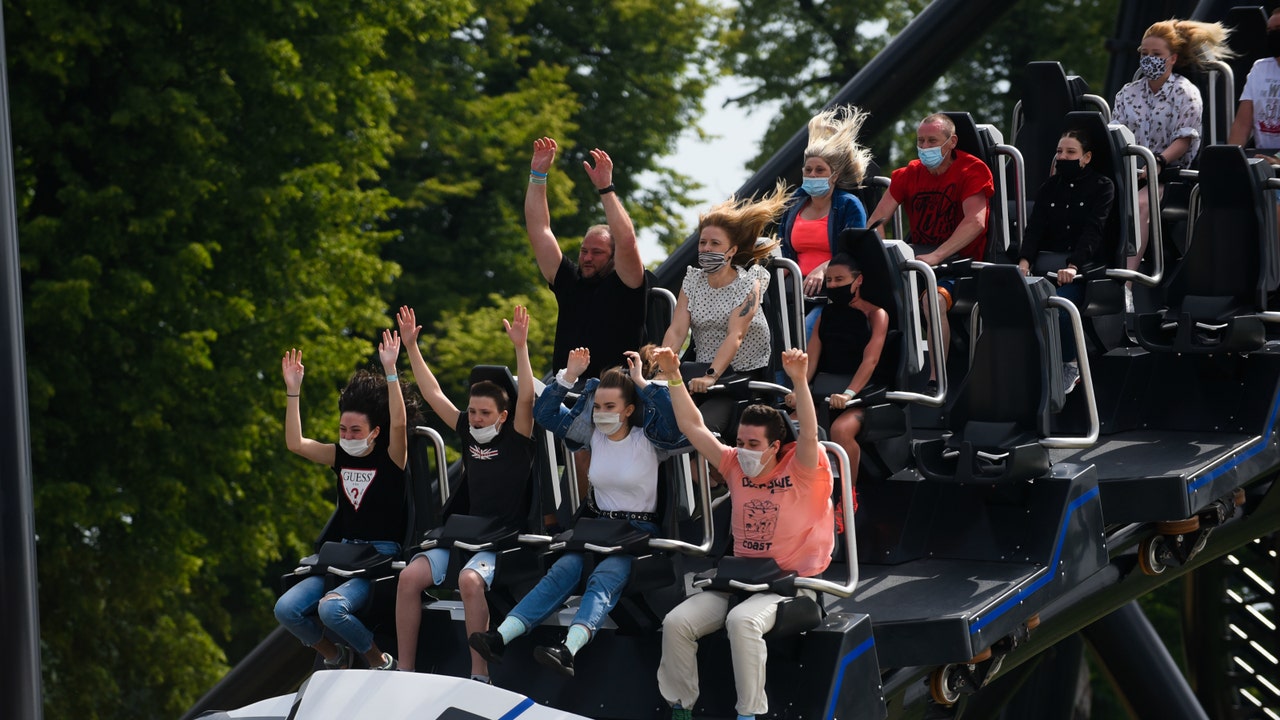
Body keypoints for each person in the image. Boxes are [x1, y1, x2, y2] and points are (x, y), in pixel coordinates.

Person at [468, 348, 687, 677]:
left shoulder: (650, 440)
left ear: (629, 410)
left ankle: (567, 650)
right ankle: (500, 637)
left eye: (610, 407)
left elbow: (672, 423)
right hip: (597, 529)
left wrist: (642, 382)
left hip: (637, 534)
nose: (601, 413)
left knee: (603, 578)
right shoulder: (594, 437)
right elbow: (546, 415)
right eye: (597, 406)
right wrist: (568, 378)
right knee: (562, 572)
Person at [653, 346, 835, 720]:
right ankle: (680, 710)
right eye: (741, 442)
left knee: (742, 622)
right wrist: (674, 376)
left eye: (754, 445)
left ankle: (749, 715)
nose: (744, 450)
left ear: (774, 446)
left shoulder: (801, 469)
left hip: (790, 583)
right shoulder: (734, 464)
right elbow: (693, 427)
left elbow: (810, 435)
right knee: (676, 623)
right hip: (742, 578)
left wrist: (799, 381)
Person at [391, 305, 536, 682]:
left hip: (502, 538)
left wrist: (520, 348)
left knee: (469, 583)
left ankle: (479, 674)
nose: (475, 419)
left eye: (484, 413)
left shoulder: (517, 436)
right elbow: (433, 392)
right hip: (465, 533)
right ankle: (404, 670)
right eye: (472, 412)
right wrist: (411, 347)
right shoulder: (467, 432)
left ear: (501, 416)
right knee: (409, 577)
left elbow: (525, 401)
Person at [273, 330, 409, 672]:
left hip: (378, 556)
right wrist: (293, 390)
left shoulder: (391, 457)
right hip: (342, 554)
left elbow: (400, 423)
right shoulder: (338, 455)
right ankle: (335, 657)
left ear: (375, 432)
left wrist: (391, 371)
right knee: (286, 609)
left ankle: (380, 661)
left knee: (330, 609)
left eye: (356, 431)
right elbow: (295, 444)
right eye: (343, 430)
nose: (347, 437)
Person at [866, 113, 994, 385]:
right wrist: (884, 258)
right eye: (920, 141)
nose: (925, 147)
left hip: (959, 265)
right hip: (918, 262)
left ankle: (936, 379)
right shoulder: (908, 174)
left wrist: (938, 255)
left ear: (951, 142)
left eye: (932, 141)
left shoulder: (973, 170)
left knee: (931, 301)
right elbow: (876, 221)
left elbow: (976, 222)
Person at [661, 182, 790, 433]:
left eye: (714, 244)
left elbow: (736, 334)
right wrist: (660, 367)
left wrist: (711, 375)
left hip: (742, 375)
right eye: (702, 243)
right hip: (700, 373)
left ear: (731, 251)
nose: (706, 249)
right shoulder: (693, 280)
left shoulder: (749, 282)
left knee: (702, 430)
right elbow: (677, 331)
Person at [1112, 19, 1233, 284]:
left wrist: (1158, 161)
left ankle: (1127, 282)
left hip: (1171, 174)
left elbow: (1186, 139)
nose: (1149, 59)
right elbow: (1115, 133)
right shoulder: (1127, 93)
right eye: (1144, 54)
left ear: (1173, 58)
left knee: (1142, 202)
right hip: (1131, 172)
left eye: (1156, 55)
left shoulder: (1185, 93)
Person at [526, 136, 648, 380]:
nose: (588, 258)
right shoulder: (570, 281)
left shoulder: (628, 284)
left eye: (598, 252)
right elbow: (539, 231)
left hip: (613, 392)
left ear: (614, 257)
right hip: (565, 391)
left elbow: (626, 241)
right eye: (584, 251)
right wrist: (537, 175)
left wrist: (606, 188)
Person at [1016, 130, 1115, 395]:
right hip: (1044, 267)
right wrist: (1024, 262)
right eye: (1060, 152)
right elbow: (1034, 229)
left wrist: (1073, 266)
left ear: (1086, 157)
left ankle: (1071, 364)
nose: (1063, 157)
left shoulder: (1102, 186)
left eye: (1071, 153)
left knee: (1058, 308)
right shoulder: (1049, 188)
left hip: (1083, 270)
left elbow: (1093, 230)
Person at [787, 254, 888, 490]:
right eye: (829, 280)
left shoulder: (876, 315)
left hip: (863, 394)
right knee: (789, 425)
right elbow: (810, 358)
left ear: (858, 280)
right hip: (825, 390)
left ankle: (847, 498)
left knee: (841, 430)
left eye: (839, 279)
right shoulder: (826, 315)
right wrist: (797, 390)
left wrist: (849, 394)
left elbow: (870, 361)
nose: (832, 285)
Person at [778, 105, 872, 339]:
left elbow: (855, 249)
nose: (813, 175)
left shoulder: (848, 204)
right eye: (808, 170)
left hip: (832, 292)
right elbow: (783, 246)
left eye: (820, 170)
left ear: (834, 176)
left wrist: (825, 268)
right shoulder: (795, 204)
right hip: (794, 291)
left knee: (807, 333)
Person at [1228, 8, 1280, 153]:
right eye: (1269, 30)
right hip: (1264, 158)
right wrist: (1231, 157)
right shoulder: (1260, 68)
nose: (1273, 34)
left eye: (1278, 29)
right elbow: (1242, 124)